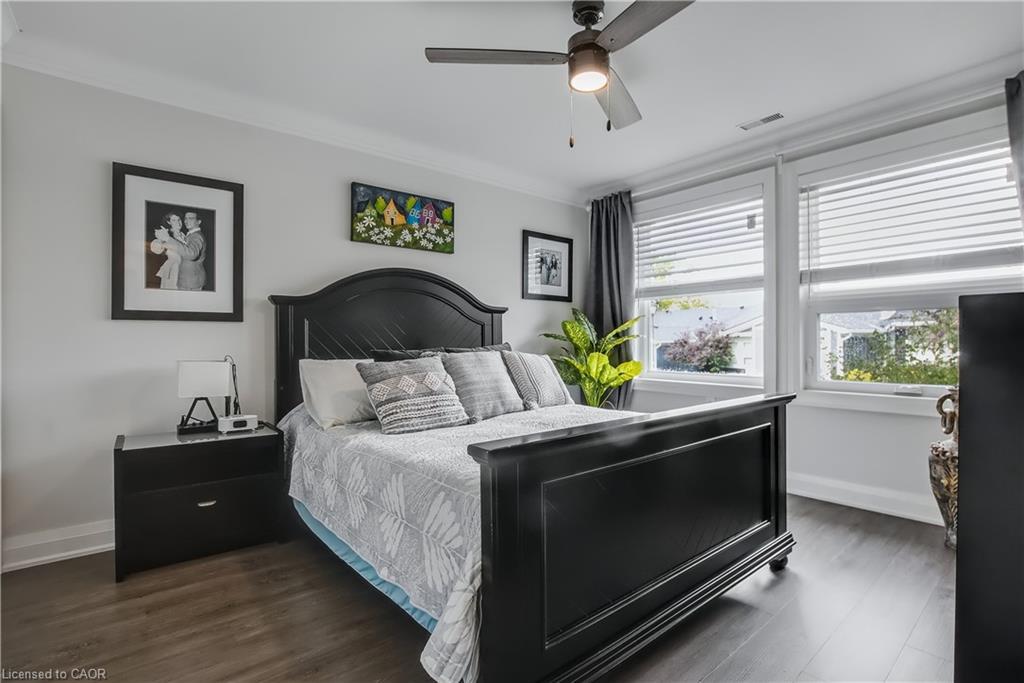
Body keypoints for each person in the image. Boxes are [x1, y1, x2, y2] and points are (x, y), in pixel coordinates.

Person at [172, 210, 207, 291]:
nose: (186, 221)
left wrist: (168, 239)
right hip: (189, 279)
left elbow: (191, 254)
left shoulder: (197, 236)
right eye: (185, 218)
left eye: (191, 218)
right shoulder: (190, 234)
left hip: (190, 282)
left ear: (199, 221)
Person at [150, 212, 183, 289]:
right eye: (174, 220)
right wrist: (159, 240)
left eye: (179, 219)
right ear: (169, 222)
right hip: (172, 271)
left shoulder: (183, 235)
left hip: (184, 271)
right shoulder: (166, 234)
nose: (178, 222)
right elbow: (156, 248)